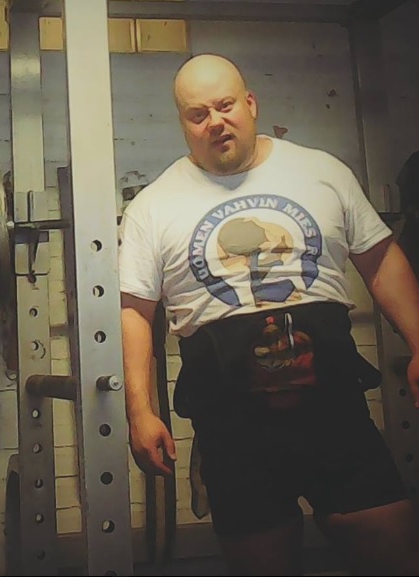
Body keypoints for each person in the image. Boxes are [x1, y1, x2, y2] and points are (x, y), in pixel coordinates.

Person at [118, 53, 419, 576]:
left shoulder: (322, 172)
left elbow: (379, 259)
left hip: (333, 409)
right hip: (231, 424)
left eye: (225, 106)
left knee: (394, 553)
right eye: (198, 114)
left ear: (251, 103)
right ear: (183, 124)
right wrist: (138, 412)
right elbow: (135, 311)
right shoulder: (153, 205)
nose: (215, 122)